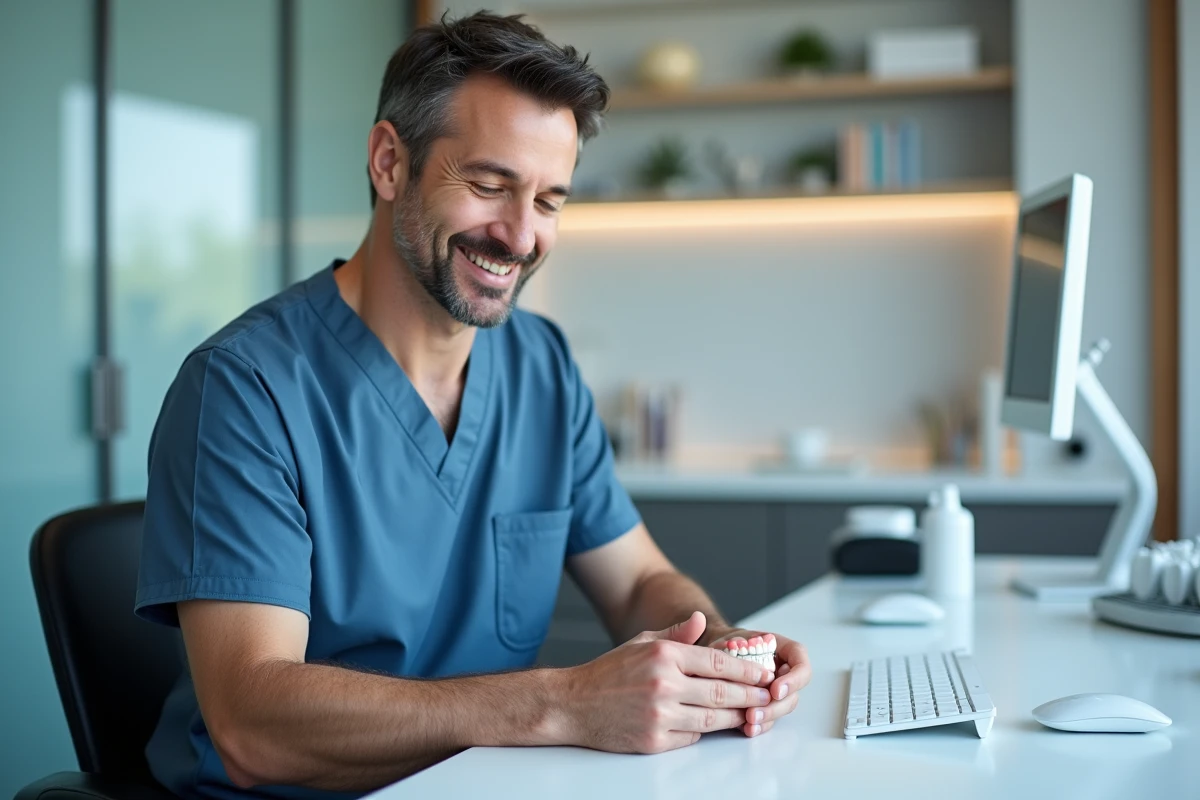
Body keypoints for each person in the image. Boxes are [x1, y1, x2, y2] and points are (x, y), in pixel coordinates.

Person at [135, 11, 811, 799]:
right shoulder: (246, 389)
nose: (521, 236)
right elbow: (253, 728)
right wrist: (565, 704)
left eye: (549, 200)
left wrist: (718, 650)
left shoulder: (543, 367)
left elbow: (637, 584)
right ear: (390, 163)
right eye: (490, 185)